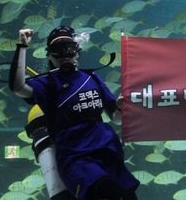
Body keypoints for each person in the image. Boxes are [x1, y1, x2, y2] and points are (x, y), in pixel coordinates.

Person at [9, 25, 139, 200]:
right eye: (57, 50)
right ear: (49, 55)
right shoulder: (47, 84)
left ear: (77, 51)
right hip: (77, 158)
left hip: (109, 152)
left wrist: (120, 107)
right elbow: (18, 87)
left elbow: (116, 119)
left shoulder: (92, 77)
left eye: (69, 48)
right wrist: (22, 46)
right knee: (110, 192)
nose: (64, 55)